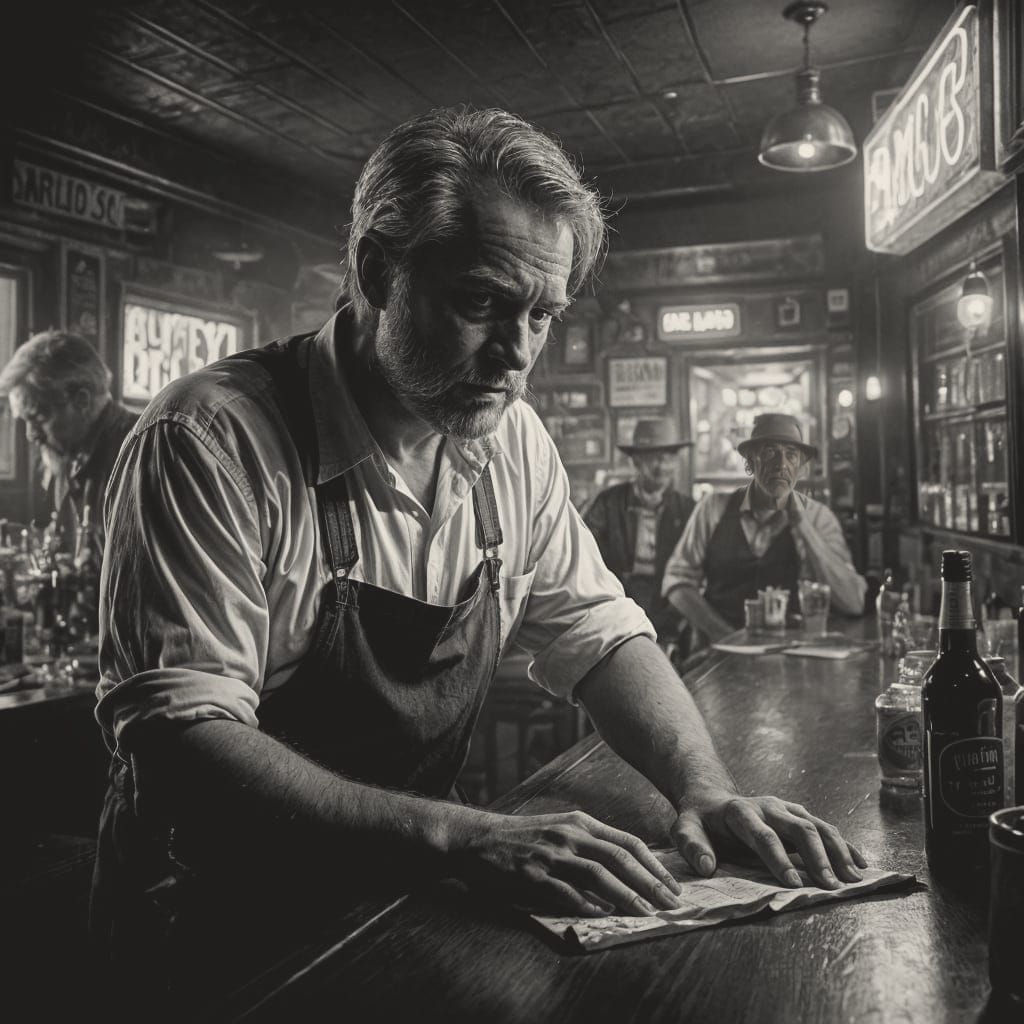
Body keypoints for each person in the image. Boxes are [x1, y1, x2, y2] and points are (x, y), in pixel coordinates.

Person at [92, 108, 866, 999]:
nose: (515, 355)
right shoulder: (213, 437)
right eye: (481, 303)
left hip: (400, 895)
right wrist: (464, 835)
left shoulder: (514, 440)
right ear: (379, 271)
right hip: (215, 925)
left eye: (542, 315)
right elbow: (183, 744)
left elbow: (603, 634)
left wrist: (704, 787)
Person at [662, 412, 867, 645]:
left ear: (801, 468)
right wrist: (725, 636)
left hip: (792, 656)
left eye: (791, 455)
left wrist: (803, 526)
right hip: (716, 653)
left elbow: (853, 602)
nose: (781, 465)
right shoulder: (713, 509)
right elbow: (676, 583)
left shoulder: (819, 518)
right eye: (770, 452)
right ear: (750, 462)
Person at [0, 330, 138, 573]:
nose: (30, 434)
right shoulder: (65, 455)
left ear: (82, 401)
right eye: (24, 421)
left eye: (38, 417)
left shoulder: (141, 454)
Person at [583, 417, 695, 654]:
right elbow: (584, 559)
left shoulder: (688, 510)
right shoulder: (608, 504)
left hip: (670, 611)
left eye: (669, 458)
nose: (662, 466)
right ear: (635, 460)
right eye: (653, 458)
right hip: (616, 607)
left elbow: (695, 574)